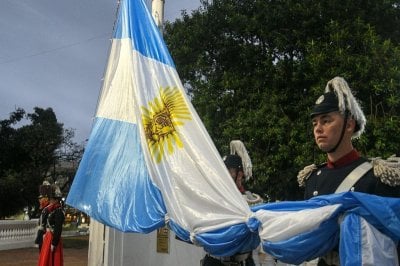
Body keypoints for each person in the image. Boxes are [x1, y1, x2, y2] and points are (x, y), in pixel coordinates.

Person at [297, 77, 400, 265]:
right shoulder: (311, 178)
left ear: (349, 125)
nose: (318, 129)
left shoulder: (377, 177)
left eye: (326, 120)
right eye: (315, 123)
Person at [202, 140, 262, 266]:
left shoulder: (252, 200)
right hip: (215, 262)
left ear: (240, 174)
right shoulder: (213, 198)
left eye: (228, 171)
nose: (223, 175)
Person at [38, 184, 65, 266]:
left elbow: (58, 228)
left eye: (52, 199)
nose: (50, 201)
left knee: (53, 261)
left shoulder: (59, 212)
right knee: (46, 260)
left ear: (56, 200)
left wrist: (54, 243)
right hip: (47, 237)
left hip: (53, 238)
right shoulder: (50, 210)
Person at [35, 181, 51, 251]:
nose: (40, 200)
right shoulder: (43, 209)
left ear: (46, 199)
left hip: (47, 234)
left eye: (41, 198)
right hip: (42, 233)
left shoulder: (48, 209)